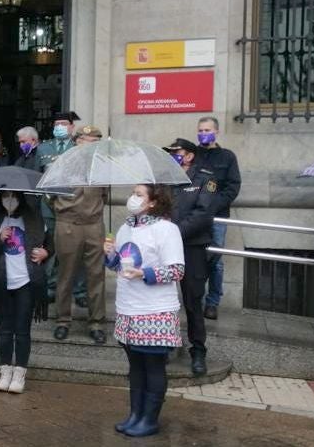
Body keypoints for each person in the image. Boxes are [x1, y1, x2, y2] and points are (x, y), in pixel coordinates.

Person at [105, 184, 184, 438]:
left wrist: (144, 273)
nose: (132, 198)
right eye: (132, 193)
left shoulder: (166, 229)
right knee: (135, 366)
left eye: (139, 194)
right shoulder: (125, 227)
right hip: (129, 307)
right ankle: (135, 415)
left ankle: (150, 419)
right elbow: (121, 265)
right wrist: (110, 256)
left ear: (153, 202)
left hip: (155, 310)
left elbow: (176, 270)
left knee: (153, 365)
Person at [0, 191, 51, 393]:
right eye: (5, 196)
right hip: (1, 281)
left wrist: (45, 252)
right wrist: (0, 239)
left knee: (22, 331)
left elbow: (50, 245)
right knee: (4, 331)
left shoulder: (34, 220)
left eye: (13, 196)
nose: (9, 200)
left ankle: (19, 373)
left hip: (26, 282)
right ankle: (5, 371)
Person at [165, 139, 216, 377]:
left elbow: (203, 213)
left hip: (191, 247)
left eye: (177, 152)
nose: (173, 155)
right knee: (163, 298)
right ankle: (164, 344)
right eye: (171, 153)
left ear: (189, 156)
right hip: (165, 248)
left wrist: (175, 232)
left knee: (193, 300)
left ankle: (198, 351)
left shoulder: (205, 178)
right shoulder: (166, 179)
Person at [52, 126, 108, 344]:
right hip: (68, 224)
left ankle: (96, 323)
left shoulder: (102, 167)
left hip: (94, 225)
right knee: (66, 274)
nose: (92, 144)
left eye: (96, 141)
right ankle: (63, 320)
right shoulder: (63, 162)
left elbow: (104, 195)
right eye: (88, 140)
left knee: (96, 275)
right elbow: (51, 194)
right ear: (77, 141)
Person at [37, 112, 88, 307]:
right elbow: (37, 177)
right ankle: (52, 287)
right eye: (56, 123)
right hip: (48, 206)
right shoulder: (43, 148)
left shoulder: (79, 148)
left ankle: (80, 290)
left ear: (71, 127)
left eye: (63, 124)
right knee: (54, 248)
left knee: (78, 248)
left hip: (73, 206)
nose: (59, 127)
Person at [196, 116, 241, 321]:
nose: (204, 134)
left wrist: (213, 206)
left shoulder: (227, 157)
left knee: (216, 261)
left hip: (217, 217)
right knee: (195, 258)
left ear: (216, 131)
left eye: (207, 130)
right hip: (194, 216)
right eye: (201, 130)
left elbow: (233, 186)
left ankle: (212, 302)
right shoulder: (193, 154)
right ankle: (195, 298)